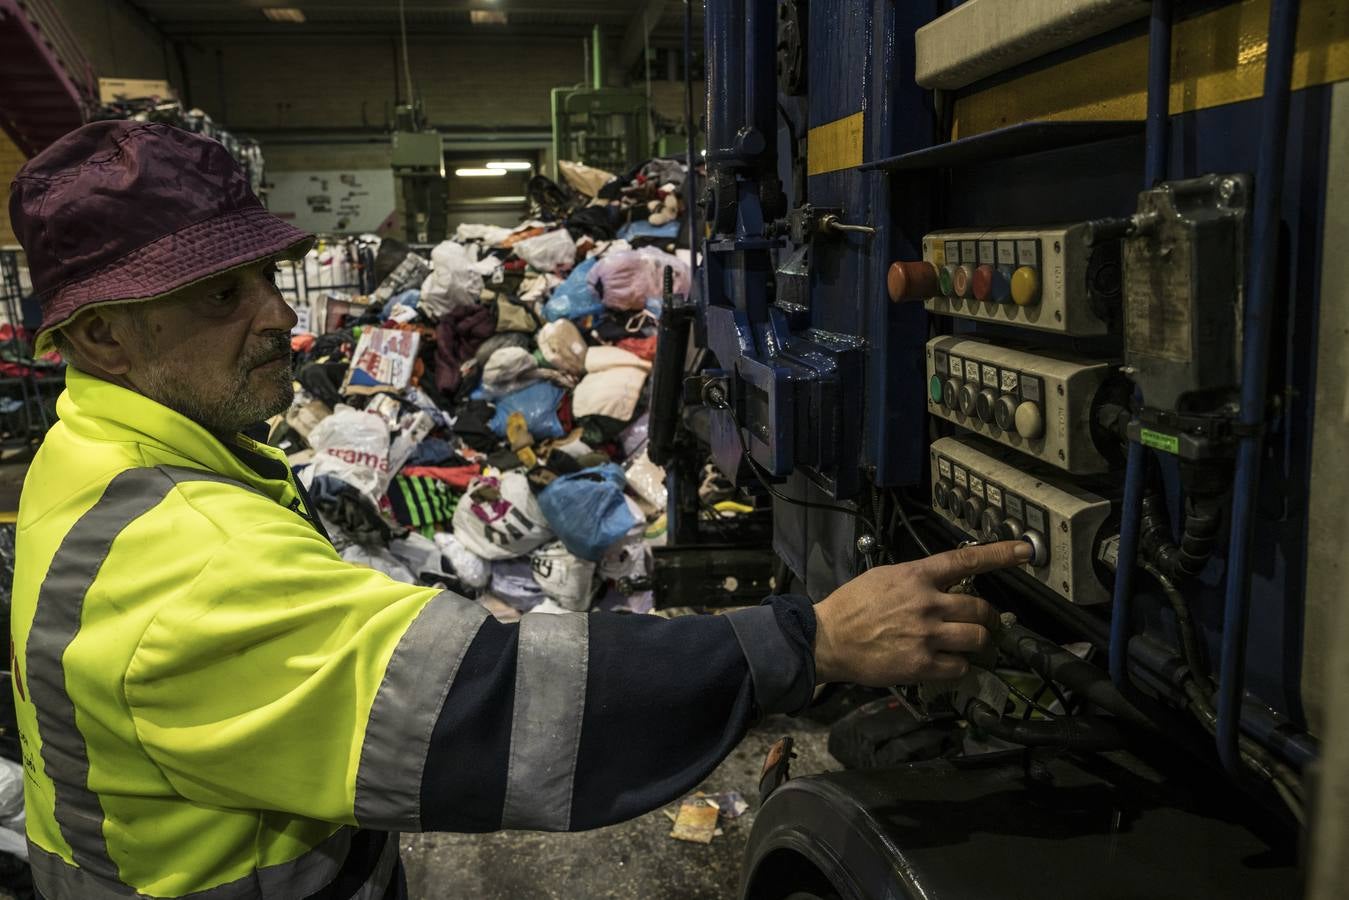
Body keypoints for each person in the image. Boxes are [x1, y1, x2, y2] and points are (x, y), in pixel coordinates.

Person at [6, 121, 1031, 899]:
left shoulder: (97, 455)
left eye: (265, 275)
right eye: (221, 297)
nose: (278, 314)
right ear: (100, 341)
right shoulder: (174, 561)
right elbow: (486, 708)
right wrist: (806, 640)